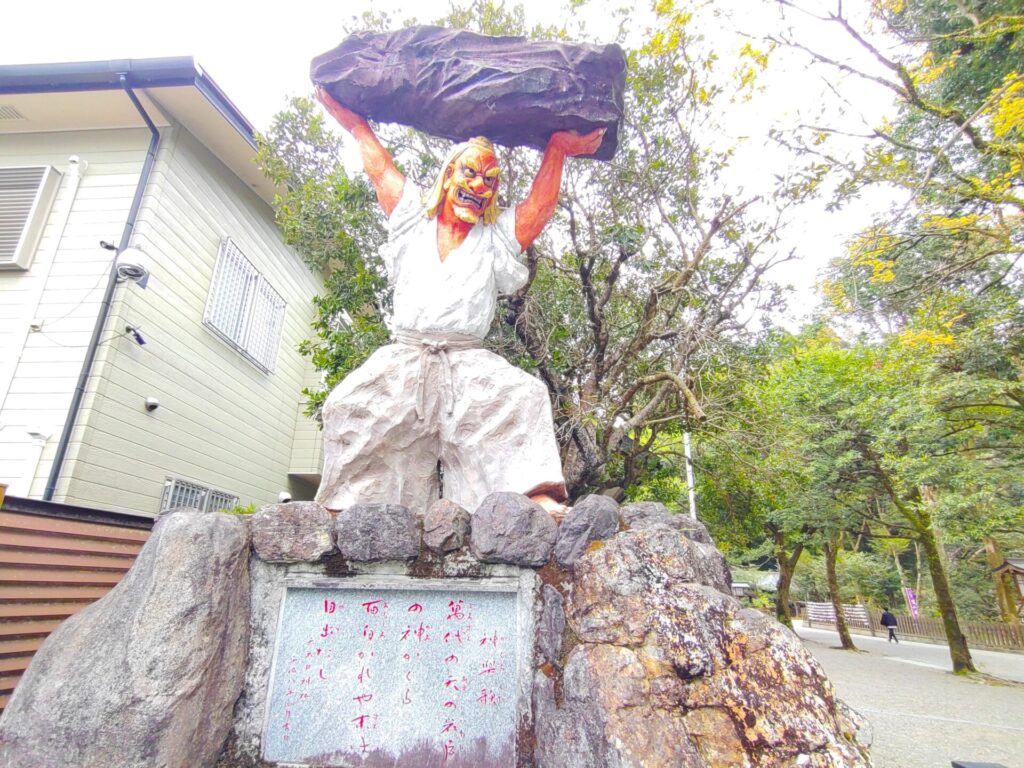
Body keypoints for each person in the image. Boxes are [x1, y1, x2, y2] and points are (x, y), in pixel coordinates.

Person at [313, 87, 604, 520]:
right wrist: (355, 125)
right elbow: (381, 170)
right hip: (405, 358)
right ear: (449, 175)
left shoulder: (495, 238)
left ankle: (527, 500)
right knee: (348, 404)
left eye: (490, 181)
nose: (479, 187)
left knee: (524, 395)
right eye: (470, 174)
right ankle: (351, 511)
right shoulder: (412, 219)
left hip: (468, 364)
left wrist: (558, 150)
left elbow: (538, 209)